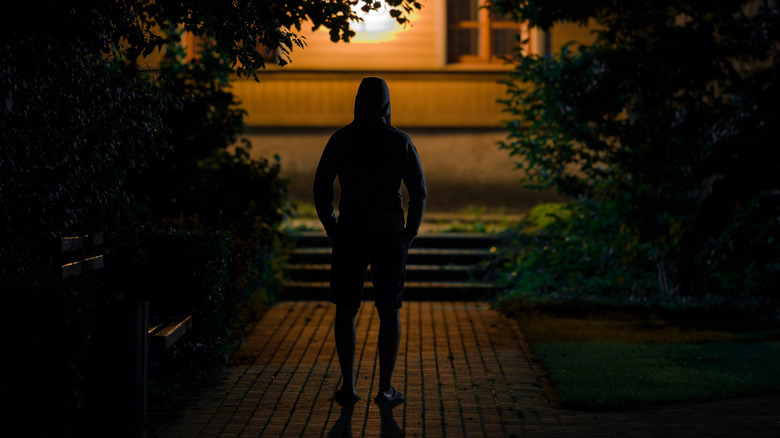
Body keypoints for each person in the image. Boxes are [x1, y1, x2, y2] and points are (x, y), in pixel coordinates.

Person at [313, 77, 427, 405]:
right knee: (389, 310)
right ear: (386, 103)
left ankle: (348, 385)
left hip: (350, 232)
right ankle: (385, 387)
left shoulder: (342, 139)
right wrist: (410, 232)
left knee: (346, 309)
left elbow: (321, 184)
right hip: (390, 233)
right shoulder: (399, 141)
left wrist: (330, 223)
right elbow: (418, 191)